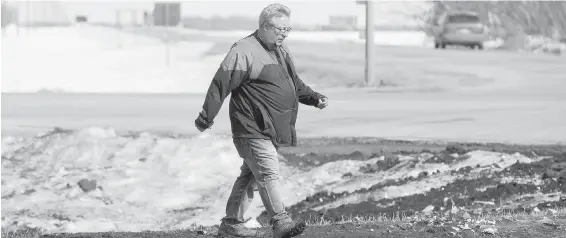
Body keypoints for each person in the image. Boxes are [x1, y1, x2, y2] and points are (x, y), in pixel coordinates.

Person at [194, 3, 328, 237]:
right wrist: (206, 117)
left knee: (250, 178)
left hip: (269, 128)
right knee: (268, 173)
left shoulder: (281, 50)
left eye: (288, 30)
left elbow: (293, 83)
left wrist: (314, 98)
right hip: (250, 127)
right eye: (280, 29)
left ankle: (231, 224)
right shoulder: (244, 50)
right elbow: (220, 84)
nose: (284, 34)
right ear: (265, 26)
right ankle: (281, 222)